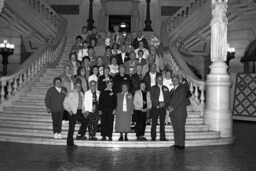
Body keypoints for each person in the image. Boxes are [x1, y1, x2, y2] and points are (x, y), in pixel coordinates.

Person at [63, 80, 89, 149]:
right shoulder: (71, 93)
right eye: (77, 86)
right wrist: (69, 111)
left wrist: (84, 112)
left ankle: (80, 134)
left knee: (86, 120)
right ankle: (69, 144)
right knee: (71, 128)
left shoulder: (81, 94)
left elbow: (83, 104)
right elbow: (65, 104)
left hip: (80, 112)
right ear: (74, 86)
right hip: (73, 112)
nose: (78, 87)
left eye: (79, 86)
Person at [169, 75, 188, 149]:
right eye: (173, 80)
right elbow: (169, 101)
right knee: (176, 129)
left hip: (180, 113)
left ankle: (181, 145)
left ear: (179, 80)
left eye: (175, 80)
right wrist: (168, 107)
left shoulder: (182, 88)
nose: (174, 81)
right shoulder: (171, 90)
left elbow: (180, 100)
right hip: (173, 113)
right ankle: (177, 144)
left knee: (180, 129)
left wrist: (173, 107)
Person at [150, 75, 170, 141]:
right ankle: (153, 136)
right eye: (158, 79)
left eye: (161, 79)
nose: (160, 81)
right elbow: (152, 98)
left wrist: (164, 104)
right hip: (155, 107)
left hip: (163, 107)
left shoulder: (166, 88)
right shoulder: (153, 88)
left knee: (162, 122)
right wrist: (158, 104)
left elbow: (168, 98)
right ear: (156, 80)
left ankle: (162, 137)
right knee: (154, 122)